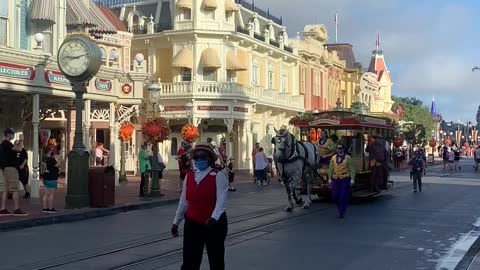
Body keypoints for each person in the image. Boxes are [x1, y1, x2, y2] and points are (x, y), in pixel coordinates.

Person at [171, 143, 229, 270]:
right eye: (196, 158)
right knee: (190, 259)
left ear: (209, 159)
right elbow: (184, 202)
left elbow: (221, 201)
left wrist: (214, 218)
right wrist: (176, 222)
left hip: (213, 224)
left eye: (202, 158)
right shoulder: (189, 176)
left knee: (215, 258)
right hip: (193, 223)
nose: (199, 161)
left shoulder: (218, 176)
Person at [0, 128, 28, 216]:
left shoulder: (3, 144)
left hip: (5, 169)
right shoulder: (6, 143)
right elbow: (19, 149)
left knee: (5, 190)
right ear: (9, 134)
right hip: (11, 168)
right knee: (15, 189)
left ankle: (3, 209)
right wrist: (21, 139)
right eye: (12, 134)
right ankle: (16, 209)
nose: (13, 135)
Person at [328, 142, 355, 218]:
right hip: (336, 179)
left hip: (345, 179)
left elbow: (352, 169)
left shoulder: (348, 158)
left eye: (340, 148)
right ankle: (340, 207)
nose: (338, 150)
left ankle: (342, 211)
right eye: (337, 148)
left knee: (343, 195)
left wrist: (352, 179)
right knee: (334, 196)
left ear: (343, 149)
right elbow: (330, 169)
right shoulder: (333, 158)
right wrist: (329, 178)